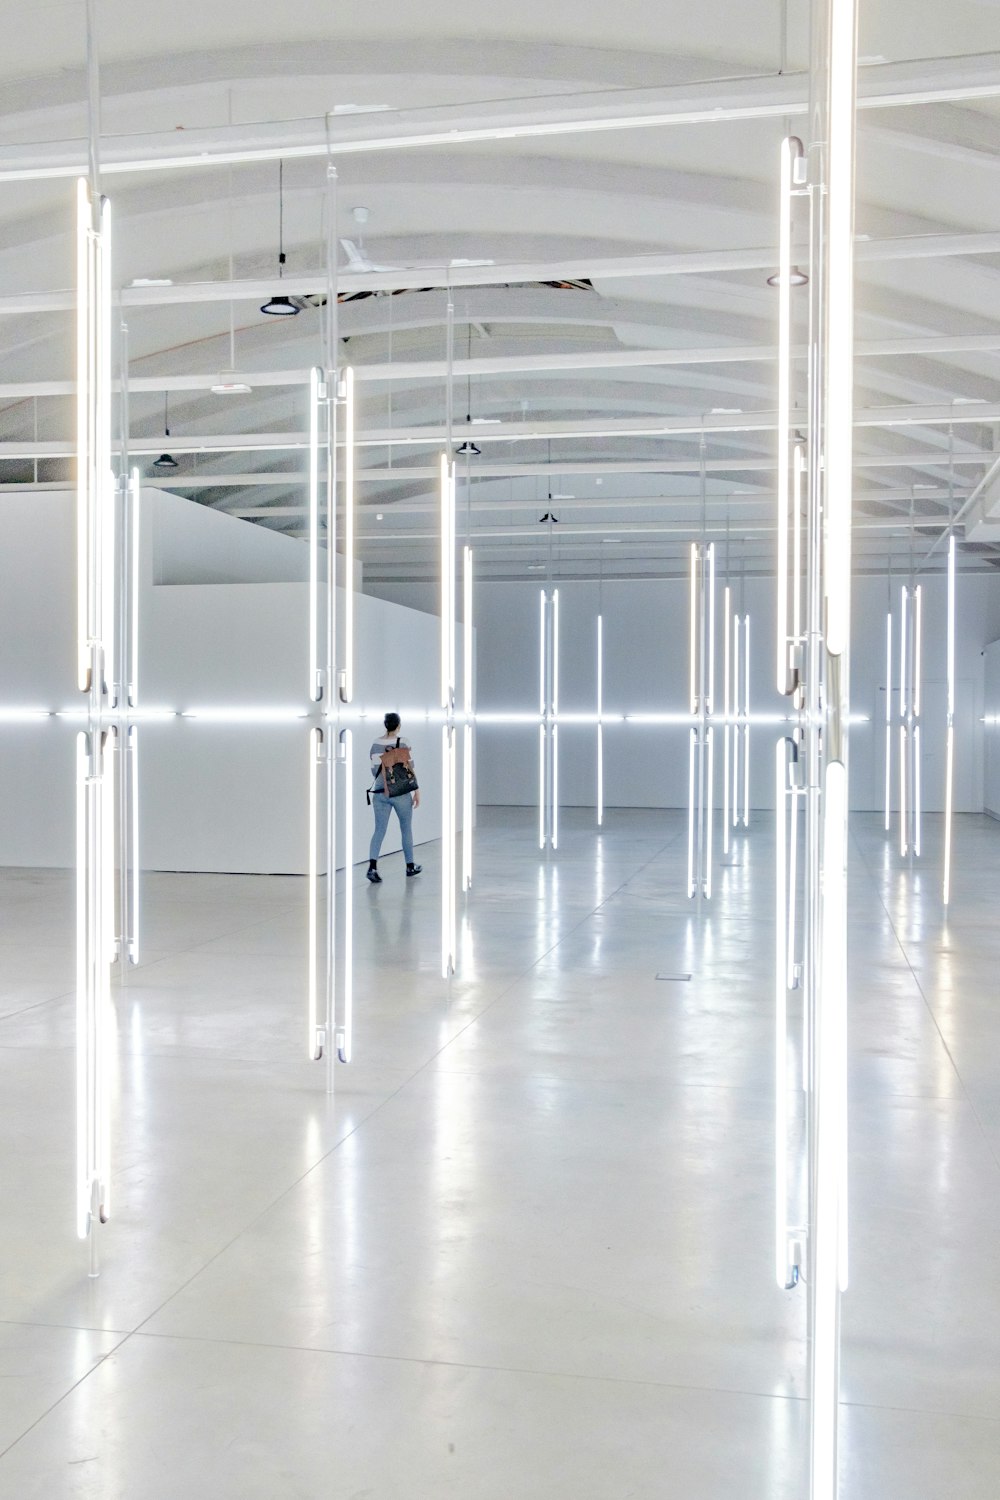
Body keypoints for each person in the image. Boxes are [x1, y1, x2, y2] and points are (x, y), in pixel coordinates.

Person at [367, 711, 422, 883]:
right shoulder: (403, 741)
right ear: (398, 726)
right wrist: (416, 790)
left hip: (380, 792)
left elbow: (373, 769)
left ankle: (372, 867)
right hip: (400, 793)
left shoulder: (375, 743)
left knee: (379, 830)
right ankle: (409, 866)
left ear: (385, 725)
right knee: (406, 828)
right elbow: (409, 767)